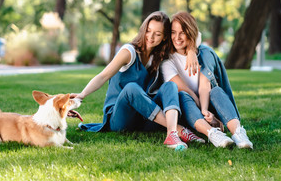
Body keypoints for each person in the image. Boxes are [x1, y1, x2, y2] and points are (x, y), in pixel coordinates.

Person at [71, 11, 204, 150]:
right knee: (131, 88)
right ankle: (179, 130)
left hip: (144, 117)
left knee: (170, 86)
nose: (151, 37)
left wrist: (191, 51)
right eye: (148, 31)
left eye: (157, 34)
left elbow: (195, 35)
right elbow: (103, 76)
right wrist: (82, 95)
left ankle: (171, 135)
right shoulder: (129, 52)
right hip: (120, 119)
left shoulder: (159, 56)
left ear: (165, 37)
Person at [161, 11, 253, 149]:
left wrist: (205, 110)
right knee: (183, 95)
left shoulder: (204, 53)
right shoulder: (167, 62)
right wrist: (202, 111)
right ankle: (212, 134)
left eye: (182, 32)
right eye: (173, 32)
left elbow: (205, 85)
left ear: (190, 32)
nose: (177, 37)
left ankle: (239, 134)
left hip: (208, 104)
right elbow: (185, 90)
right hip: (189, 110)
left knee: (216, 90)